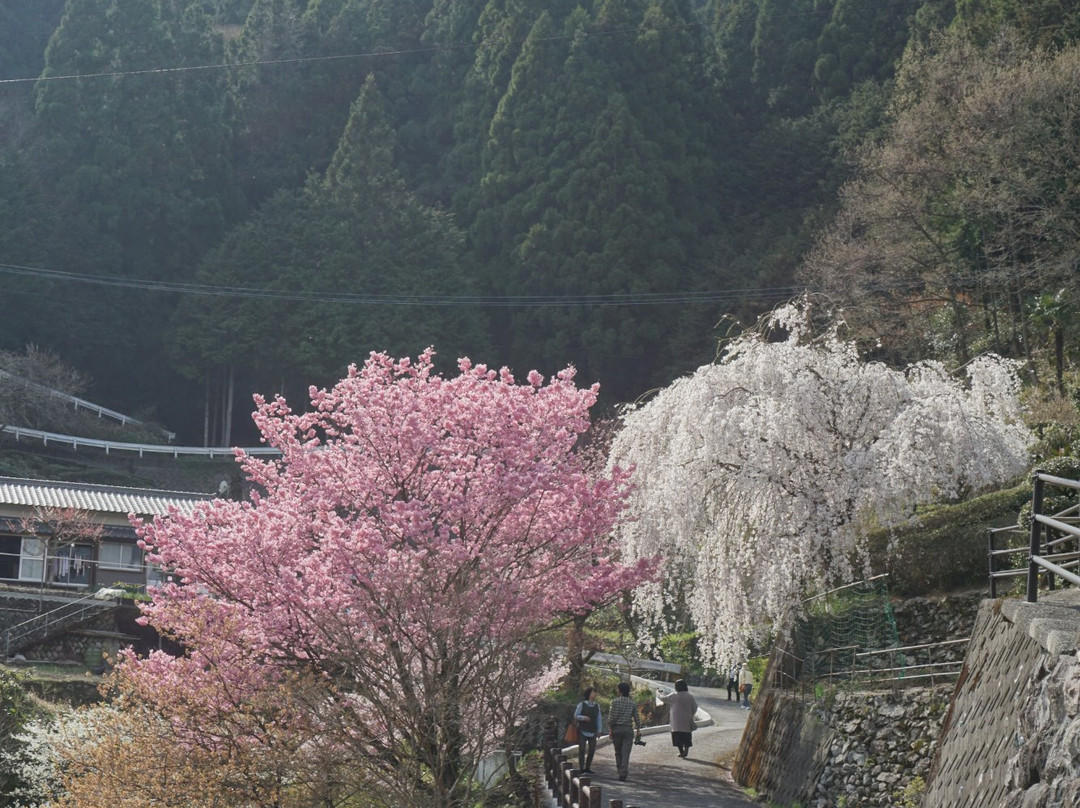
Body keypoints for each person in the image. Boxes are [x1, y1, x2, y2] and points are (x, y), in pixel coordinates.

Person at [607, 681, 642, 781]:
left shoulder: (615, 702)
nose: (617, 691)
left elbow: (611, 718)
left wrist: (610, 729)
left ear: (620, 691)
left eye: (618, 689)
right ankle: (623, 772)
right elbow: (637, 718)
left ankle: (619, 770)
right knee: (626, 752)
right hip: (628, 730)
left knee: (618, 751)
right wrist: (638, 730)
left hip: (616, 729)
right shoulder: (632, 703)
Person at [658, 679, 698, 758]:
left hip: (676, 722)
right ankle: (686, 751)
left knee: (677, 737)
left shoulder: (674, 695)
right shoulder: (690, 696)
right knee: (686, 736)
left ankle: (681, 752)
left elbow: (663, 698)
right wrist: (690, 714)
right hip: (686, 721)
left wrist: (658, 693)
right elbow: (695, 707)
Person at [573, 686, 602, 774]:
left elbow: (599, 719)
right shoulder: (582, 704)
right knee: (582, 749)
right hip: (582, 730)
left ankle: (588, 767)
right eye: (593, 692)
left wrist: (599, 730)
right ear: (589, 693)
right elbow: (575, 716)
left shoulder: (597, 706)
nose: (595, 694)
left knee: (592, 749)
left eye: (595, 692)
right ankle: (581, 768)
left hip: (593, 730)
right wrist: (583, 717)